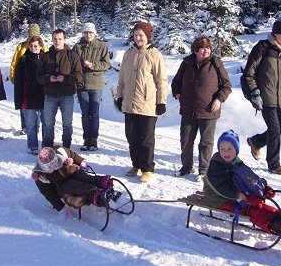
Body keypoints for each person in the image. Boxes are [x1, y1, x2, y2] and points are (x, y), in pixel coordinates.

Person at [202, 130, 281, 236]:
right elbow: (220, 186)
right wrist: (238, 194)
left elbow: (248, 176)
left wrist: (263, 185)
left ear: (236, 150)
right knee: (249, 209)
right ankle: (275, 225)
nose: (226, 152)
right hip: (218, 198)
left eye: (229, 149)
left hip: (233, 194)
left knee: (258, 203)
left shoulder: (235, 161)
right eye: (222, 149)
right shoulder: (217, 164)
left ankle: (280, 217)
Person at [242, 19, 281, 175]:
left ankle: (256, 142)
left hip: (280, 97)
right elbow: (249, 73)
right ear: (275, 33)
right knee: (274, 129)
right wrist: (255, 92)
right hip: (265, 97)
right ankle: (274, 164)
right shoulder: (263, 48)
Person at [114, 21, 168, 183]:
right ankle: (136, 165)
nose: (138, 38)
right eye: (136, 35)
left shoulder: (154, 54)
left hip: (147, 104)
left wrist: (161, 101)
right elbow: (122, 79)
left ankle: (147, 168)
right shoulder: (128, 54)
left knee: (146, 139)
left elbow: (161, 80)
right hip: (129, 104)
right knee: (132, 137)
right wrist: (119, 97)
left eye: (141, 35)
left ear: (147, 37)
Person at [171, 36, 232, 176]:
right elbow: (176, 83)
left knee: (206, 143)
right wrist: (177, 94)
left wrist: (219, 100)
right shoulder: (186, 63)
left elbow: (226, 86)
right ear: (195, 51)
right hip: (188, 110)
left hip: (209, 110)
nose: (206, 51)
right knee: (186, 141)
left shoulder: (216, 63)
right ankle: (186, 168)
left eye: (208, 48)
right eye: (202, 48)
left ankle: (204, 171)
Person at [32, 146, 114, 216]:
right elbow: (49, 194)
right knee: (76, 186)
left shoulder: (60, 151)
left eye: (55, 166)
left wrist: (81, 162)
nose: (53, 169)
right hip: (61, 186)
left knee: (84, 177)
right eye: (50, 169)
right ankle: (95, 195)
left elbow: (73, 155)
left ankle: (103, 182)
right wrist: (60, 208)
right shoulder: (40, 177)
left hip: (72, 172)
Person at [37, 29, 82, 149]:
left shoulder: (72, 56)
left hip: (66, 95)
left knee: (67, 124)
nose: (57, 41)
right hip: (50, 95)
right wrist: (48, 78)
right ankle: (47, 149)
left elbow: (79, 76)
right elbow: (39, 76)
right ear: (52, 40)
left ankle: (66, 149)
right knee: (48, 124)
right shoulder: (45, 56)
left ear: (64, 39)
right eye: (55, 39)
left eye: (60, 39)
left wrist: (65, 79)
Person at [73, 23, 112, 151]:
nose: (88, 35)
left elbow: (106, 64)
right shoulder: (77, 47)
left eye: (90, 32)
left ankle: (94, 139)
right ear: (83, 33)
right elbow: (72, 63)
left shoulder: (101, 46)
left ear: (94, 33)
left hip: (96, 84)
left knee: (94, 113)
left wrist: (93, 65)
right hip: (82, 84)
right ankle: (86, 139)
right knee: (85, 113)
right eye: (86, 32)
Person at [10, 24, 47, 135]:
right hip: (25, 79)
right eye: (31, 33)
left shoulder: (42, 46)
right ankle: (25, 126)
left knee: (39, 107)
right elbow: (14, 62)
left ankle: (37, 126)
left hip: (39, 83)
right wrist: (13, 76)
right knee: (25, 105)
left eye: (35, 33)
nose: (32, 35)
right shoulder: (21, 46)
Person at [14, 36, 46, 155]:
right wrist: (20, 100)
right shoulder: (23, 60)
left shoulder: (46, 58)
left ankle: (46, 146)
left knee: (46, 124)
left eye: (36, 46)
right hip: (29, 97)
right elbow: (18, 82)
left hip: (44, 96)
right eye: (31, 46)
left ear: (41, 46)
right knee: (31, 124)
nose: (33, 48)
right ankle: (33, 147)